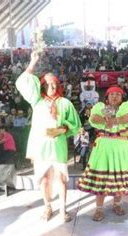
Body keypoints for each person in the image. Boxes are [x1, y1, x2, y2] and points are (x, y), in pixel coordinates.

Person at [15, 50, 81, 223]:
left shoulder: (65, 103)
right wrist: (32, 63)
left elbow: (75, 124)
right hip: (41, 147)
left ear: (58, 85)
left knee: (61, 179)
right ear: (42, 86)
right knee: (44, 179)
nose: (50, 88)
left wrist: (62, 130)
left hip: (58, 145)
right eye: (47, 85)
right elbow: (23, 82)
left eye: (53, 84)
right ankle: (47, 207)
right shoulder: (36, 100)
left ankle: (63, 209)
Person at [77, 86, 128, 222]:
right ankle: (99, 209)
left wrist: (111, 120)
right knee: (102, 179)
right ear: (107, 97)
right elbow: (95, 118)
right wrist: (113, 119)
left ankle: (117, 204)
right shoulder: (99, 105)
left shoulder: (127, 105)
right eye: (112, 94)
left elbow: (127, 118)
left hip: (121, 145)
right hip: (104, 145)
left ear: (122, 98)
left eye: (118, 94)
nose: (115, 96)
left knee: (119, 178)